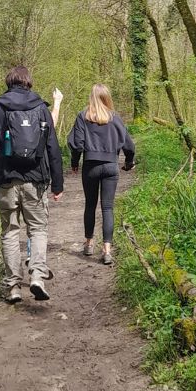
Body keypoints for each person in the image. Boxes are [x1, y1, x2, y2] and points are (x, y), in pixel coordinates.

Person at [0, 67, 64, 302]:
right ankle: (37, 275)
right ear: (29, 83)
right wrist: (57, 183)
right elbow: (52, 148)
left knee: (9, 232)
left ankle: (14, 286)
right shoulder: (41, 108)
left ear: (8, 83)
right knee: (37, 229)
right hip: (35, 180)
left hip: (5, 181)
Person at [67, 84, 135, 265]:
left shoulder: (83, 116)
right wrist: (129, 161)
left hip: (90, 166)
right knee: (107, 208)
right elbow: (129, 145)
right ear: (107, 98)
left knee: (90, 205)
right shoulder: (115, 118)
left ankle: (89, 243)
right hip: (111, 166)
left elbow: (77, 143)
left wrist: (75, 162)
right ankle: (106, 249)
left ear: (91, 97)